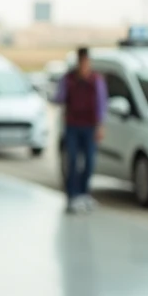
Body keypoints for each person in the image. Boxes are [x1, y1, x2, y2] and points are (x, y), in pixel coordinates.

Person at [53, 46, 108, 213]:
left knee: (89, 162)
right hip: (73, 126)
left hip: (90, 127)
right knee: (72, 162)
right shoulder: (68, 79)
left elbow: (101, 104)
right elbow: (59, 98)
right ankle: (72, 196)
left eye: (86, 62)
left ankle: (84, 194)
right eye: (81, 62)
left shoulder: (96, 80)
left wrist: (100, 126)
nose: (83, 65)